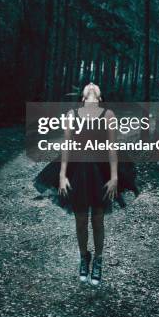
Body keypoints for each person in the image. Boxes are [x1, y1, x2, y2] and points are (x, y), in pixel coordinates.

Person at [34, 82, 139, 285]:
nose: (91, 85)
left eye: (95, 87)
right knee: (81, 220)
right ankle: (84, 257)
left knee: (98, 220)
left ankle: (98, 260)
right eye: (88, 87)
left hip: (101, 172)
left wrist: (115, 177)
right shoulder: (72, 115)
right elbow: (66, 147)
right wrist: (62, 176)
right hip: (77, 172)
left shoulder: (108, 115)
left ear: (99, 98)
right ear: (83, 98)